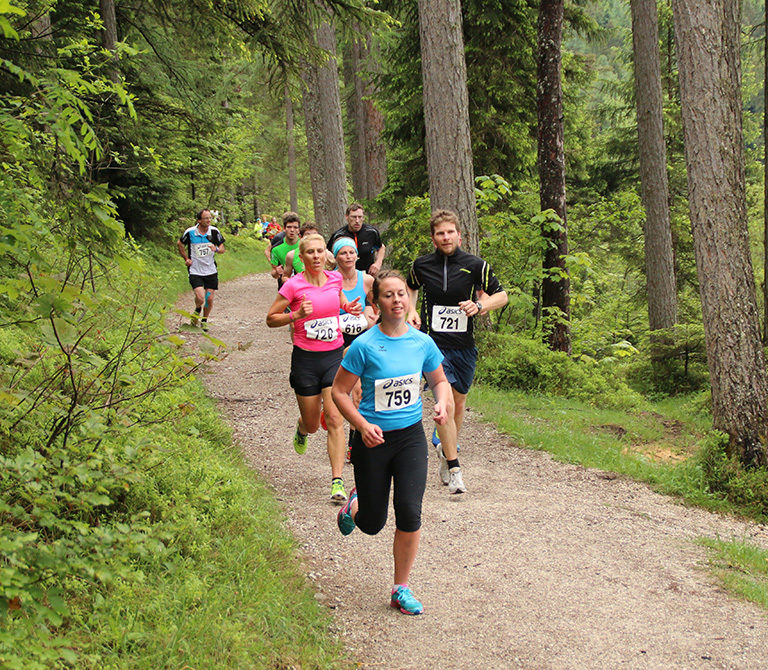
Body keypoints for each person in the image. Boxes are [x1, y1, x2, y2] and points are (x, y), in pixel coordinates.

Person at [332, 270, 451, 615]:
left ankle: (401, 587)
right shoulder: (364, 346)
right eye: (389, 295)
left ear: (409, 299)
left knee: (410, 512)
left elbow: (439, 381)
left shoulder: (422, 342)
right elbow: (339, 391)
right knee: (371, 524)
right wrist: (361, 424)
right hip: (373, 439)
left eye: (402, 294)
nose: (397, 300)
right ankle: (354, 505)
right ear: (376, 302)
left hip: (411, 437)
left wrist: (441, 402)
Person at [406, 209, 508, 494]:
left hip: (464, 346)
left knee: (458, 404)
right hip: (433, 344)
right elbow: (410, 288)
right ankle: (455, 467)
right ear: (433, 238)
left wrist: (480, 306)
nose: (445, 237)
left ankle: (443, 447)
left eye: (450, 232)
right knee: (446, 402)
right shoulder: (422, 265)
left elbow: (502, 295)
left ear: (459, 235)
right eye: (440, 233)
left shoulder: (476, 265)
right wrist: (412, 310)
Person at [266, 233, 363, 503]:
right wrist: (295, 315)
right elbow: (270, 319)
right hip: (306, 361)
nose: (317, 256)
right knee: (312, 424)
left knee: (335, 418)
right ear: (301, 256)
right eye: (310, 252)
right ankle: (302, 426)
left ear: (326, 254)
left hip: (333, 357)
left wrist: (348, 307)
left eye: (321, 251)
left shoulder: (334, 279)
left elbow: (339, 300)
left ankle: (337, 481)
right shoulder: (293, 286)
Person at [177, 209, 226, 332]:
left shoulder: (214, 232)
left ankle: (204, 320)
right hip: (195, 270)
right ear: (199, 220)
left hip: (210, 270)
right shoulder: (190, 232)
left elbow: (222, 248)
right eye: (205, 218)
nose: (208, 220)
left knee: (209, 298)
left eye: (210, 218)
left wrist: (216, 249)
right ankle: (198, 309)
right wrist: (186, 258)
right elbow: (180, 244)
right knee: (200, 297)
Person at [327, 203, 385, 276]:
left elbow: (381, 247)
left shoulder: (371, 232)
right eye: (354, 217)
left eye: (360, 217)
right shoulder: (339, 235)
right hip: (345, 276)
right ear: (347, 217)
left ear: (363, 218)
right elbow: (328, 254)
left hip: (368, 274)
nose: (357, 220)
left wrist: (378, 263)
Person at [269, 212, 300, 288]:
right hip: (285, 286)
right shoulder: (276, 249)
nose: (292, 230)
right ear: (284, 229)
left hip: (302, 285)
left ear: (299, 230)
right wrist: (277, 271)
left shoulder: (305, 245)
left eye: (295, 227)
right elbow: (273, 273)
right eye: (289, 227)